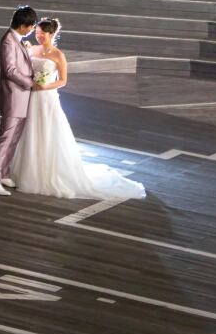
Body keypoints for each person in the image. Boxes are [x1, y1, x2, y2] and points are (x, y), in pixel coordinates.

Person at [11, 17, 146, 200]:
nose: (39, 36)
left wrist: (44, 86)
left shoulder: (58, 55)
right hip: (31, 96)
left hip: (46, 97)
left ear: (52, 34)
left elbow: (62, 81)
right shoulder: (32, 49)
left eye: (42, 34)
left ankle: (46, 173)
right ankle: (23, 170)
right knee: (28, 131)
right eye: (37, 33)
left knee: (48, 132)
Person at [0, 6, 38, 196]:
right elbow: (10, 70)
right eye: (31, 27)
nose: (32, 30)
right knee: (6, 138)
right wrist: (31, 83)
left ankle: (4, 172)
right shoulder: (8, 41)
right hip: (14, 97)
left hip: (21, 97)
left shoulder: (18, 40)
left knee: (14, 138)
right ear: (24, 26)